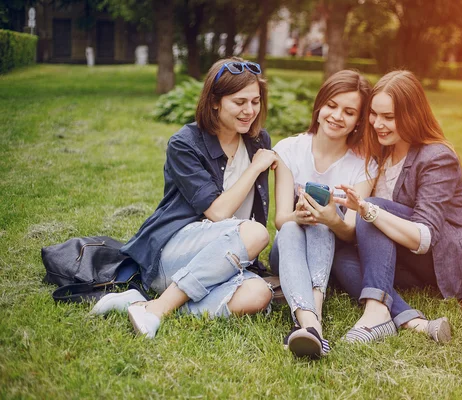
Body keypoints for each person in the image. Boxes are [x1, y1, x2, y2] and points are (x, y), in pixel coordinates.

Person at [91, 58, 277, 339]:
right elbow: (218, 213)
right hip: (174, 253)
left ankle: (139, 303)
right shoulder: (185, 143)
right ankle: (159, 309)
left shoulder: (258, 140)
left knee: (258, 294)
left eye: (255, 101)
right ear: (215, 102)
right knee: (255, 233)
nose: (249, 111)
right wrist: (255, 168)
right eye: (239, 102)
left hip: (225, 257)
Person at [332, 70, 462, 344]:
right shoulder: (382, 150)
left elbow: (424, 237)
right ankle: (409, 320)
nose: (378, 124)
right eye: (374, 114)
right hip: (407, 256)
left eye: (388, 117)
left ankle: (375, 315)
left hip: (446, 258)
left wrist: (368, 210)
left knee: (376, 209)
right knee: (341, 255)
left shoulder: (437, 157)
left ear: (411, 115)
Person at [270, 70, 376, 358]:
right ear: (319, 106)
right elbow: (280, 221)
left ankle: (308, 325)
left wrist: (331, 218)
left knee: (322, 225)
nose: (337, 116)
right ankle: (315, 320)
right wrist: (300, 216)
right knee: (293, 228)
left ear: (358, 121)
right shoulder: (288, 150)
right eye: (331, 105)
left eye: (349, 111)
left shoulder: (363, 165)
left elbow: (351, 230)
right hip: (287, 249)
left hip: (328, 251)